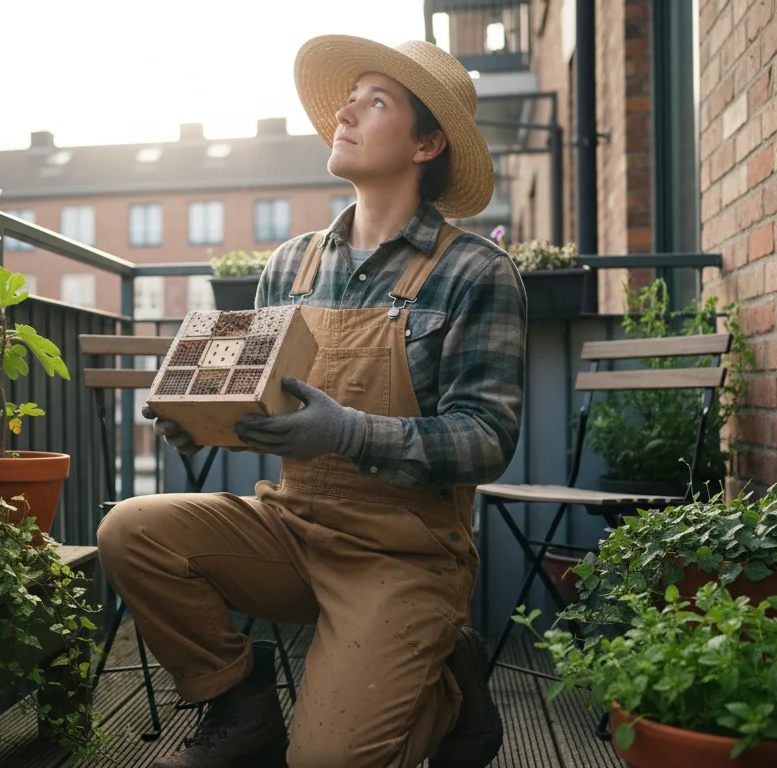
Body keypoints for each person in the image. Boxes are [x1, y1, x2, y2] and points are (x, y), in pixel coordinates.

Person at [97, 34, 527, 768]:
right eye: (348, 98)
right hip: (291, 529)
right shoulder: (289, 264)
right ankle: (241, 700)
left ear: (427, 143)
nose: (346, 114)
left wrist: (348, 432)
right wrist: (201, 421)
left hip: (405, 553)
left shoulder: (477, 272)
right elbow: (259, 399)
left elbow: (487, 438)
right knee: (132, 530)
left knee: (326, 760)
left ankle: (450, 688)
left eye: (376, 101)